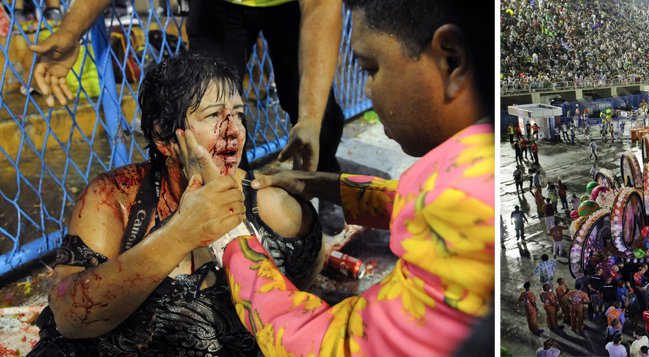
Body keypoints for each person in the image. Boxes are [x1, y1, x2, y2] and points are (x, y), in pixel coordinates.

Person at [213, 0, 495, 353]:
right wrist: (324, 186)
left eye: (370, 68)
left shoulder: (453, 207)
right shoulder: (477, 164)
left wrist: (232, 242)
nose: (366, 91)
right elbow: (420, 201)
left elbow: (331, 346)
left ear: (450, 60)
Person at [28, 54, 323, 355]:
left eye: (238, 114)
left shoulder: (269, 206)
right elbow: (69, 318)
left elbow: (302, 300)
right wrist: (180, 233)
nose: (234, 130)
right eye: (213, 116)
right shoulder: (117, 197)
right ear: (163, 136)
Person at [33, 0, 348, 212]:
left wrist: (309, 116)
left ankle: (326, 177)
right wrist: (71, 30)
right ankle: (238, 200)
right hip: (218, 8)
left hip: (290, 7)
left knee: (317, 111)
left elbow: (322, 6)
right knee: (209, 103)